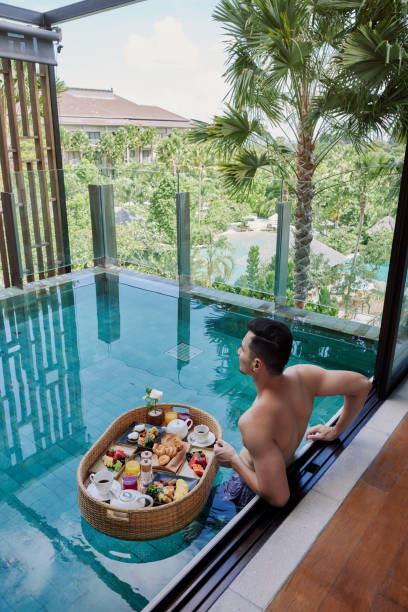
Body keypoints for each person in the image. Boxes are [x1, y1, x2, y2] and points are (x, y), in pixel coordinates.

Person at [214, 317, 372, 510]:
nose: (238, 352)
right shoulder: (303, 376)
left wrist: (233, 460)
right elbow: (362, 385)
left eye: (242, 349)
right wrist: (336, 431)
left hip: (249, 489)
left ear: (256, 365)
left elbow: (279, 498)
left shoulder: (255, 420)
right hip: (288, 466)